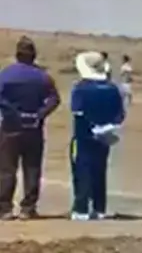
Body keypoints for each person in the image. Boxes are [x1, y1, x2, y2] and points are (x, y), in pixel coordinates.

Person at [0, 37, 60, 220]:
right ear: (33, 55)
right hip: (34, 128)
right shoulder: (42, 77)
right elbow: (54, 99)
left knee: (7, 168)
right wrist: (39, 114)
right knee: (32, 168)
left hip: (10, 127)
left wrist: (12, 113)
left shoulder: (6, 75)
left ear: (17, 55)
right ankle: (28, 208)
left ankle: (4, 208)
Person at [68, 51, 125, 221]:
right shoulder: (112, 88)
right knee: (100, 170)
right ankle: (99, 208)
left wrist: (91, 127)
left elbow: (78, 113)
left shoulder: (81, 88)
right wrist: (106, 127)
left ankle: (81, 208)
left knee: (82, 170)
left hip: (83, 135)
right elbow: (120, 115)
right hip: (104, 137)